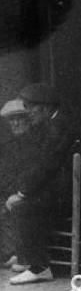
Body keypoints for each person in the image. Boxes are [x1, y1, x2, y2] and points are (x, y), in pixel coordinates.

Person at [5, 83, 75, 284]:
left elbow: (46, 166)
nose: (27, 113)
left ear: (44, 108)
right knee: (20, 199)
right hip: (66, 190)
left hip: (72, 197)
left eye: (29, 108)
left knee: (22, 206)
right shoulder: (53, 123)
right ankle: (27, 258)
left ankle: (40, 267)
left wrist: (23, 193)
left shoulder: (58, 128)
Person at [0, 97, 32, 269]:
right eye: (12, 120)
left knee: (7, 206)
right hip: (11, 188)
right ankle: (11, 253)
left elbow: (33, 173)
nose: (16, 123)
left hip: (28, 189)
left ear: (28, 119)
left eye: (20, 118)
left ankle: (18, 253)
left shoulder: (35, 141)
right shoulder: (9, 145)